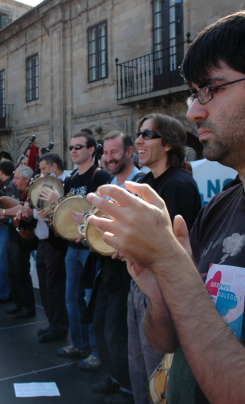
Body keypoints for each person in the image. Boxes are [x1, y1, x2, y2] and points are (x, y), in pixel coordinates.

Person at [87, 4, 245, 404]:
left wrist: (170, 262)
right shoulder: (222, 205)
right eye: (193, 93)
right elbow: (167, 339)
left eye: (210, 89)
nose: (193, 110)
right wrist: (159, 289)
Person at [129, 113, 201, 404]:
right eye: (138, 133)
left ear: (168, 143)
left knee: (159, 377)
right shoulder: (144, 181)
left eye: (147, 134)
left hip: (162, 293)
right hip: (138, 286)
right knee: (138, 368)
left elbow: (174, 249)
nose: (138, 140)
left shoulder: (179, 185)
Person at [90, 131, 141, 404]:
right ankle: (115, 377)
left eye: (114, 152)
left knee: (116, 331)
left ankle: (129, 388)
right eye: (106, 153)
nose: (108, 158)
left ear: (129, 152)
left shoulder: (139, 183)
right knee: (99, 327)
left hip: (128, 270)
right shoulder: (109, 182)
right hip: (106, 267)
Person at [55, 133, 110, 369]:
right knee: (72, 299)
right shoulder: (72, 178)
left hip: (90, 249)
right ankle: (79, 344)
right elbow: (62, 209)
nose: (73, 150)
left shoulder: (100, 176)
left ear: (91, 150)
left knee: (91, 301)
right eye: (71, 147)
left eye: (79, 146)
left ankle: (96, 352)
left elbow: (101, 212)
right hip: (71, 247)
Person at [20, 153, 69, 342]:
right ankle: (52, 324)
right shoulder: (44, 185)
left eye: (43, 169)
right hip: (42, 242)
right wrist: (29, 212)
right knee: (45, 287)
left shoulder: (64, 185)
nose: (39, 173)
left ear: (54, 167)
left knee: (54, 288)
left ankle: (59, 327)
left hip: (55, 244)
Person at [0, 166, 37, 319]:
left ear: (27, 179)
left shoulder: (32, 194)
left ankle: (28, 307)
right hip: (13, 236)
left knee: (21, 272)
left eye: (17, 178)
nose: (14, 181)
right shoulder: (17, 191)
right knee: (12, 271)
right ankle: (19, 304)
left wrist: (3, 213)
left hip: (23, 239)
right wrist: (5, 217)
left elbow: (20, 209)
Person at [0, 160, 19, 303]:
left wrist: (2, 214)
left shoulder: (9, 186)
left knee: (3, 263)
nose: (17, 182)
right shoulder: (5, 184)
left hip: (8, 227)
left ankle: (3, 292)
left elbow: (12, 207)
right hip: (4, 227)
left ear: (1, 171)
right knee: (4, 262)